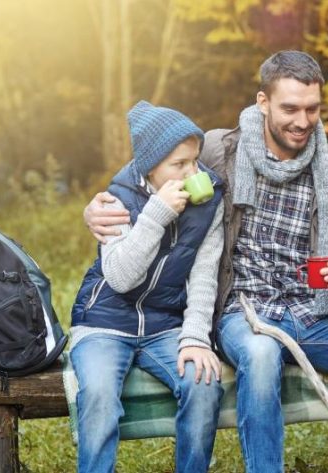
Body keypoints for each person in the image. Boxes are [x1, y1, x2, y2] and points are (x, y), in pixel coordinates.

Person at [85, 51, 328, 473]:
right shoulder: (216, 150)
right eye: (290, 109)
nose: (302, 121)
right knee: (261, 354)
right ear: (263, 102)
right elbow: (148, 169)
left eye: (312, 109)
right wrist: (95, 208)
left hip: (313, 312)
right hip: (242, 309)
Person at [70, 100, 225, 473]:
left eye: (195, 160)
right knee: (99, 394)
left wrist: (194, 338)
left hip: (164, 325)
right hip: (103, 323)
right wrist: (157, 213)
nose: (192, 172)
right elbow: (122, 278)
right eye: (179, 164)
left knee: (204, 385)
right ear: (150, 167)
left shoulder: (210, 201)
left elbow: (205, 275)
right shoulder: (117, 199)